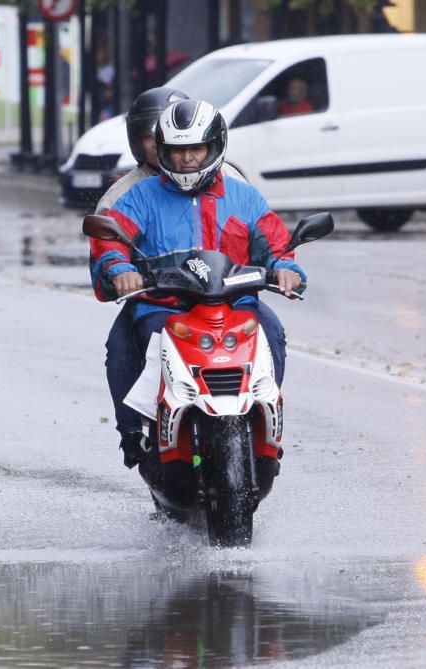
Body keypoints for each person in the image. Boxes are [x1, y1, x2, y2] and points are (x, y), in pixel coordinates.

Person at [90, 99, 305, 468]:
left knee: (272, 332)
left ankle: (266, 428)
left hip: (235, 304)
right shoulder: (138, 196)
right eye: (177, 151)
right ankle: (137, 433)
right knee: (127, 348)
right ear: (163, 151)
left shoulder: (243, 195)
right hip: (163, 305)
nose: (187, 158)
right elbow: (110, 241)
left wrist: (285, 268)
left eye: (196, 149)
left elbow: (275, 243)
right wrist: (118, 269)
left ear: (214, 147)